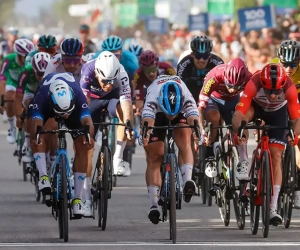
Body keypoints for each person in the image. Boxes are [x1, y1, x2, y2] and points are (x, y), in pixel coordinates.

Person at [232, 63, 300, 225]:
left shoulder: (289, 88)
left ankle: (272, 208)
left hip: (278, 113)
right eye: (269, 91)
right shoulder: (253, 83)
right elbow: (238, 113)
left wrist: (294, 135)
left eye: (277, 91)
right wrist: (238, 132)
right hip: (257, 108)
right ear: (263, 84)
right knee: (242, 120)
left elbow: (297, 118)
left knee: (276, 156)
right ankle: (248, 170)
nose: (273, 95)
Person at [140, 75, 204, 224]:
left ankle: (188, 180)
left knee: (184, 136)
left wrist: (197, 133)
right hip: (157, 113)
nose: (171, 116)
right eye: (170, 115)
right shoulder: (153, 97)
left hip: (180, 109)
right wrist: (145, 136)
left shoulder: (186, 96)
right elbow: (147, 123)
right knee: (154, 156)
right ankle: (154, 205)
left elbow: (194, 120)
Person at [30, 72, 95, 216]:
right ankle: (43, 176)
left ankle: (77, 199)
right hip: (48, 108)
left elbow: (88, 122)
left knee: (83, 145)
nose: (64, 117)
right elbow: (36, 124)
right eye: (62, 113)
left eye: (66, 113)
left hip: (73, 109)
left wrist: (88, 137)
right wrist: (37, 136)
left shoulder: (78, 95)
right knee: (37, 136)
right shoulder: (42, 97)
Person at [80, 51, 133, 216]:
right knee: (86, 147)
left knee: (124, 117)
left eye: (112, 81)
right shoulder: (88, 69)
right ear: (97, 73)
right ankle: (86, 196)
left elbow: (126, 102)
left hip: (113, 99)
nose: (109, 85)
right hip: (92, 100)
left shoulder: (121, 72)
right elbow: (84, 102)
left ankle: (117, 159)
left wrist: (128, 124)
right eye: (105, 81)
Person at [198, 58, 252, 180]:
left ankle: (243, 159)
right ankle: (211, 155)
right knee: (214, 117)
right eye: (230, 85)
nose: (232, 89)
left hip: (233, 101)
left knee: (240, 123)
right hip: (214, 99)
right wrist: (202, 131)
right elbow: (201, 108)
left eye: (237, 86)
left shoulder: (249, 78)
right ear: (225, 77)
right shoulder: (214, 76)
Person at [17, 52, 51, 163]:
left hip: (46, 92)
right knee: (30, 110)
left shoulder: (54, 71)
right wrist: (19, 114)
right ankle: (27, 146)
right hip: (30, 92)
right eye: (39, 74)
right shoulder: (26, 71)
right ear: (33, 70)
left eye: (44, 74)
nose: (41, 77)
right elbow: (19, 95)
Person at [0, 38, 35, 144]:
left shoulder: (31, 62)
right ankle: (11, 127)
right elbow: (2, 80)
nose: (29, 58)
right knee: (10, 97)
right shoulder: (8, 59)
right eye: (26, 56)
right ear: (19, 55)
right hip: (13, 83)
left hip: (25, 84)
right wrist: (2, 99)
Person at [177, 36, 224, 103]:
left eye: (205, 56)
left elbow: (222, 88)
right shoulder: (184, 62)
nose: (201, 60)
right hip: (189, 90)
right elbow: (179, 86)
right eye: (198, 56)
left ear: (209, 55)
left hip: (210, 94)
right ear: (192, 55)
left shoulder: (217, 62)